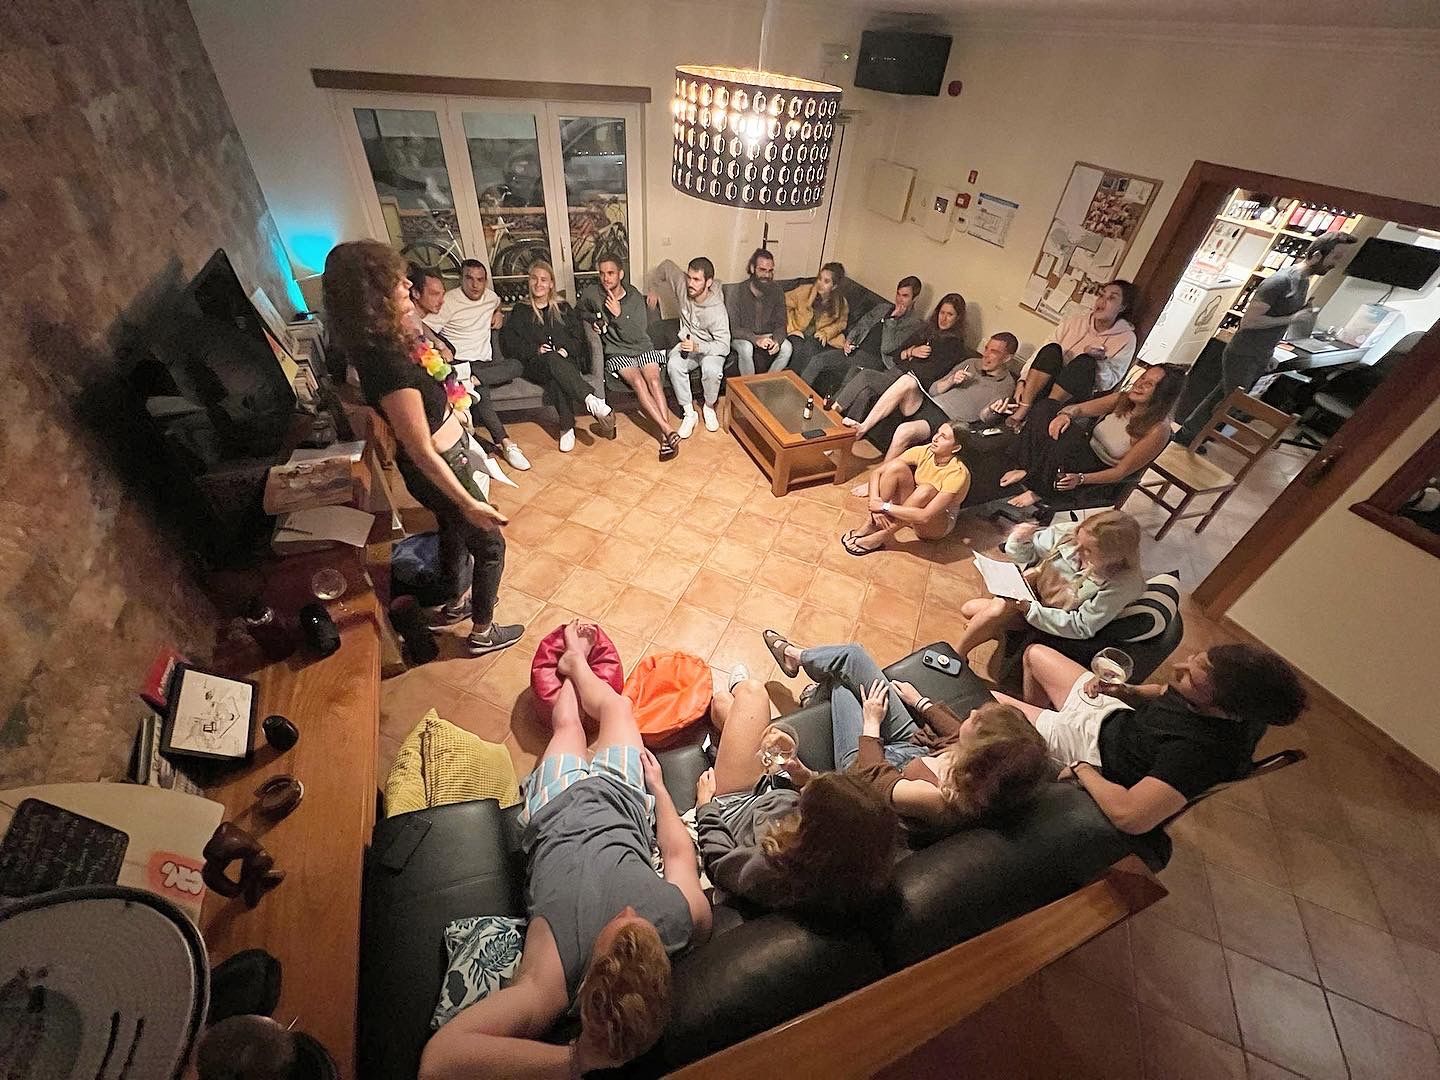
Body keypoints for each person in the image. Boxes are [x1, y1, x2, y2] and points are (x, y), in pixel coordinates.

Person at [419, 622, 711, 1078]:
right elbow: (677, 854)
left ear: (592, 974)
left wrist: (575, 1062)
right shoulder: (687, 917)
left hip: (557, 803)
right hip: (624, 797)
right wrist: (660, 791)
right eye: (641, 919)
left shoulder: (550, 982)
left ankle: (571, 673)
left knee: (568, 726)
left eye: (620, 922)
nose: (631, 908)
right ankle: (576, 663)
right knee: (618, 706)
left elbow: (439, 1061)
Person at [324, 241, 521, 656]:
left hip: (453, 454)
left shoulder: (391, 339)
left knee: (451, 532)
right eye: (396, 282)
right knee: (489, 546)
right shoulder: (387, 364)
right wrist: (468, 501)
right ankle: (483, 632)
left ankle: (455, 604)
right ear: (372, 296)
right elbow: (420, 451)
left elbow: (432, 373)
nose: (406, 286)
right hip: (442, 467)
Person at [994, 641, 1306, 834]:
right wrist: (1126, 691)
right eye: (1193, 660)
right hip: (1114, 718)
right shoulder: (1234, 707)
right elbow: (1163, 693)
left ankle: (1034, 736)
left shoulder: (1202, 755)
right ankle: (1032, 733)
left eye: (1190, 676)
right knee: (1035, 654)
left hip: (1092, 752)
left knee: (988, 704)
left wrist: (1081, 769)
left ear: (1224, 704)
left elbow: (1131, 817)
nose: (1177, 667)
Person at [755, 638, 1051, 830]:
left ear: (981, 755)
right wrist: (919, 701)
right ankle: (797, 657)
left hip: (863, 768)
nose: (972, 713)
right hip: (909, 744)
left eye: (979, 721)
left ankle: (814, 688)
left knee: (842, 684)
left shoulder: (938, 799)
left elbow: (875, 783)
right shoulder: (978, 769)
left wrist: (871, 724)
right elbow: (955, 733)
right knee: (853, 656)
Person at [692, 675, 898, 919]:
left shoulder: (772, 868)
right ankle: (729, 723)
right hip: (772, 793)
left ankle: (732, 707)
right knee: (732, 709)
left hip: (739, 804)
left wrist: (705, 807)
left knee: (750, 691)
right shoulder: (853, 857)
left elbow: (719, 862)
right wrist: (802, 775)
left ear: (811, 829)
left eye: (805, 801)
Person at [1174, 232, 1357, 445]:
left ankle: (1188, 435)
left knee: (1221, 396)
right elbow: (1249, 322)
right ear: (1317, 255)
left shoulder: (1303, 283)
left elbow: (1278, 320)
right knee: (1233, 401)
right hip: (1243, 351)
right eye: (1335, 258)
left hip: (1260, 353)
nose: (1336, 264)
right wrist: (1293, 317)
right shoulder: (1279, 282)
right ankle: (1196, 437)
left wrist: (1270, 350)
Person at [947, 512, 1146, 667]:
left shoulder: (1124, 583)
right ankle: (995, 631)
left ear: (1113, 556)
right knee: (971, 609)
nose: (1076, 550)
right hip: (1032, 597)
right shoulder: (1071, 533)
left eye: (1088, 551)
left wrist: (1031, 611)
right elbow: (1028, 554)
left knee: (993, 611)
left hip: (1056, 623)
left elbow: (1081, 626)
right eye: (1078, 541)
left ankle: (958, 655)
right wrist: (1020, 540)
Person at [998, 362, 1187, 510]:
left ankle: (1038, 487)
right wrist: (1066, 415)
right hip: (1077, 451)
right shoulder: (1123, 399)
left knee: (1069, 439)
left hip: (1094, 472)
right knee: (1048, 408)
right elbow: (1078, 408)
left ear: (1163, 394)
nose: (1139, 384)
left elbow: (1120, 472)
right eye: (1142, 378)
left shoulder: (1158, 430)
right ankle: (1029, 470)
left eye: (1149, 384)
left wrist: (1081, 479)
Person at [844, 332, 1018, 485]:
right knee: (907, 380)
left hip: (947, 419)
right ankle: (863, 427)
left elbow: (984, 418)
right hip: (931, 402)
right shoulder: (971, 362)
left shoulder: (1006, 385)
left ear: (1007, 358)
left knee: (904, 430)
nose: (986, 355)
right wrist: (951, 381)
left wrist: (993, 411)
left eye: (994, 352)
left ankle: (880, 478)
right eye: (986, 348)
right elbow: (934, 389)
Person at [409, 265, 518, 486]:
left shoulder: (491, 298)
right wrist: (439, 344)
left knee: (516, 365)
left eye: (480, 279)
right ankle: (505, 443)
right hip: (459, 363)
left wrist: (498, 313)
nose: (475, 284)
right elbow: (423, 327)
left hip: (481, 367)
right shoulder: (440, 307)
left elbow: (496, 303)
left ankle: (472, 382)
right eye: (470, 279)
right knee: (481, 396)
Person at [498, 261, 615, 453]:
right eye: (534, 278)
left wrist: (565, 350)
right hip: (535, 365)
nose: (538, 283)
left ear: (551, 284)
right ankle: (590, 399)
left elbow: (578, 337)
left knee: (557, 374)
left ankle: (566, 427)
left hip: (564, 362)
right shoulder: (520, 310)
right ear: (529, 282)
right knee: (551, 360)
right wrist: (536, 350)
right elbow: (511, 344)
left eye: (543, 279)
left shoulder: (563, 308)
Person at [994, 280, 1138, 433]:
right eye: (1101, 295)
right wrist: (1023, 380)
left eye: (1111, 298)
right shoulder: (1075, 321)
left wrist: (1099, 360)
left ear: (1122, 307)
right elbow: (1042, 352)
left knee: (1085, 361)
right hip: (1045, 382)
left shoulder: (1127, 338)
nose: (1102, 301)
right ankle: (1023, 409)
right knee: (1052, 349)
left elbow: (1108, 383)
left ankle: (1043, 413)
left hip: (1072, 393)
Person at [580, 256, 680, 461]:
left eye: (610, 273)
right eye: (602, 273)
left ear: (620, 274)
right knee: (638, 382)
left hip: (641, 346)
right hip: (617, 351)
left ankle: (664, 437)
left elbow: (638, 333)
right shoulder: (593, 293)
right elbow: (580, 310)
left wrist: (619, 314)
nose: (606, 278)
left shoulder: (633, 296)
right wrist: (594, 320)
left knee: (654, 381)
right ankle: (668, 431)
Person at [832, 293, 970, 423]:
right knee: (864, 389)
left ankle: (833, 411)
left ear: (957, 318)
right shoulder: (927, 330)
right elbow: (897, 355)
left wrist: (909, 360)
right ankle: (847, 429)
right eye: (942, 313)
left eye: (950, 314)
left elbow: (930, 373)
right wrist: (912, 351)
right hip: (896, 372)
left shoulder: (954, 345)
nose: (944, 318)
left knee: (865, 375)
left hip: (911, 386)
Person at [841, 421, 970, 555]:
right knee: (896, 468)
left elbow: (925, 516)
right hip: (912, 510)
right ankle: (870, 524)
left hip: (934, 522)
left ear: (955, 448)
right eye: (937, 432)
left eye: (943, 437)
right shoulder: (926, 451)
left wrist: (883, 507)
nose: (935, 438)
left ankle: (881, 536)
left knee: (925, 490)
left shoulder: (957, 473)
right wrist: (875, 505)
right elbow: (877, 472)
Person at [799, 275, 924, 398]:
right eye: (898, 294)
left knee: (849, 379)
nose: (899, 299)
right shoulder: (883, 308)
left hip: (875, 360)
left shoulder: (913, 324)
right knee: (818, 360)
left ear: (914, 299)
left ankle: (830, 413)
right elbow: (861, 324)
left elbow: (888, 347)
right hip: (855, 350)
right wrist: (849, 340)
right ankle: (798, 395)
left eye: (905, 296)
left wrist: (892, 320)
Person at [656, 257, 732, 437]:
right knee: (674, 365)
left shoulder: (717, 310)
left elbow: (724, 346)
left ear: (708, 282)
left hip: (711, 347)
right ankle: (689, 413)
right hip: (688, 344)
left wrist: (698, 347)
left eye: (696, 280)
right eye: (689, 277)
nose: (691, 283)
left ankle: (708, 406)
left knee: (712, 370)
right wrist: (653, 288)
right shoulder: (684, 286)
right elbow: (666, 265)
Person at [726, 247, 792, 374]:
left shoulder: (777, 290)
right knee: (746, 348)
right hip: (742, 336)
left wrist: (777, 340)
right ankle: (748, 387)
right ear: (752, 268)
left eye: (770, 271)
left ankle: (765, 383)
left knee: (787, 348)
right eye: (762, 270)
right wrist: (755, 339)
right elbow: (733, 328)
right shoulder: (737, 291)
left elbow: (781, 323)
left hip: (767, 335)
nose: (766, 275)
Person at [784, 263, 850, 378]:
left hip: (818, 335)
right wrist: (790, 326)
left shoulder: (840, 303)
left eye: (826, 281)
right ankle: (790, 379)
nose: (820, 283)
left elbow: (841, 324)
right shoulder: (805, 291)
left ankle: (798, 383)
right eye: (819, 278)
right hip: (797, 330)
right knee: (798, 348)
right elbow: (781, 304)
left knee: (811, 347)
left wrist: (826, 333)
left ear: (834, 286)